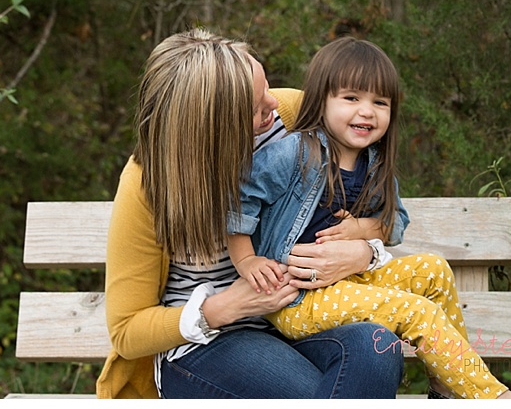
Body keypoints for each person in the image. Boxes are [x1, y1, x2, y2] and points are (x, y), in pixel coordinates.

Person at [227, 38, 511, 400]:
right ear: (321, 99)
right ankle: (496, 399)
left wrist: (362, 229)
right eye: (351, 98)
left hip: (349, 280)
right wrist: (247, 260)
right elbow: (240, 200)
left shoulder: (374, 163)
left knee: (435, 270)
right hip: (297, 297)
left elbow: (397, 222)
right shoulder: (295, 152)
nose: (367, 112)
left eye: (380, 102)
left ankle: (449, 387)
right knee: (415, 311)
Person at [96, 29, 405, 398]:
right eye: (258, 107)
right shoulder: (148, 184)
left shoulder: (290, 117)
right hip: (209, 345)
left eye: (267, 89)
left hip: (296, 317)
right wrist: (225, 307)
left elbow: (374, 189)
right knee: (309, 394)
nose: (273, 104)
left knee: (378, 347)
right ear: (214, 127)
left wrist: (363, 250)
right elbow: (127, 331)